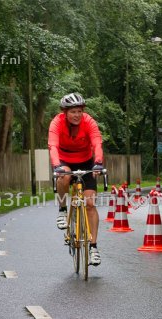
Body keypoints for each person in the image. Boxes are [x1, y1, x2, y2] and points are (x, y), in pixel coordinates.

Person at [48, 93, 104, 266]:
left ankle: (93, 247)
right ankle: (63, 210)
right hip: (64, 161)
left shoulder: (89, 122)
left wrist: (98, 163)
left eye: (79, 111)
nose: (77, 115)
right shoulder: (57, 122)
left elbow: (97, 143)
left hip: (86, 161)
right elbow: (53, 145)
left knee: (90, 204)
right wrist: (56, 165)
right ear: (65, 112)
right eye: (73, 111)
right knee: (63, 176)